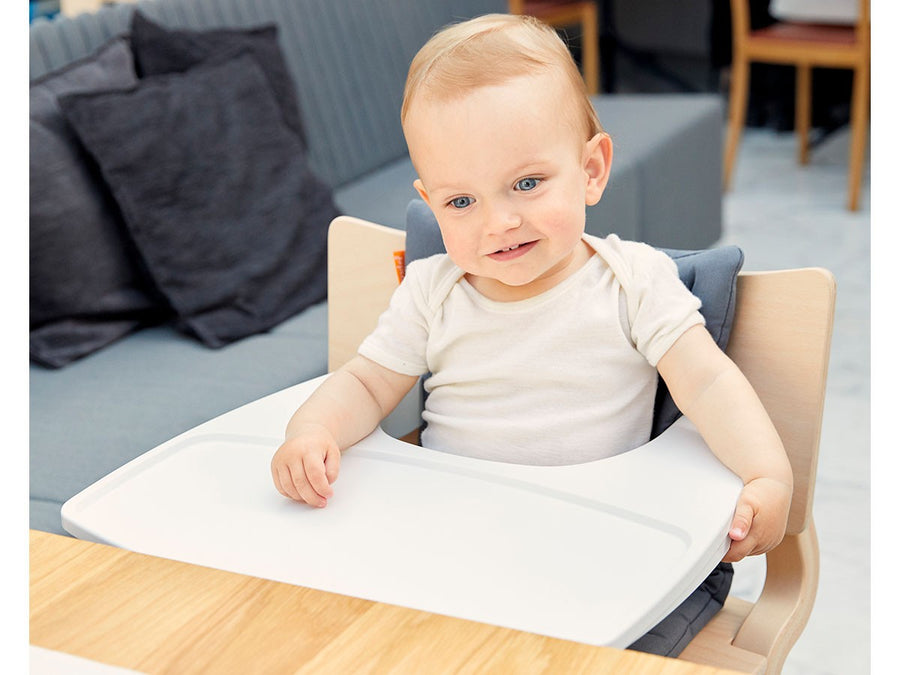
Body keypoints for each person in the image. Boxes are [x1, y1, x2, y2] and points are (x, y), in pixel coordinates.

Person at [271, 12, 792, 654]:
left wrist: (768, 477)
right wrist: (313, 431)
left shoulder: (635, 283)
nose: (499, 222)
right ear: (431, 203)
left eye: (526, 183)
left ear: (592, 169)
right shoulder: (432, 292)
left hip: (588, 553)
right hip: (450, 546)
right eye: (462, 202)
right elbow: (364, 382)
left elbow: (710, 384)